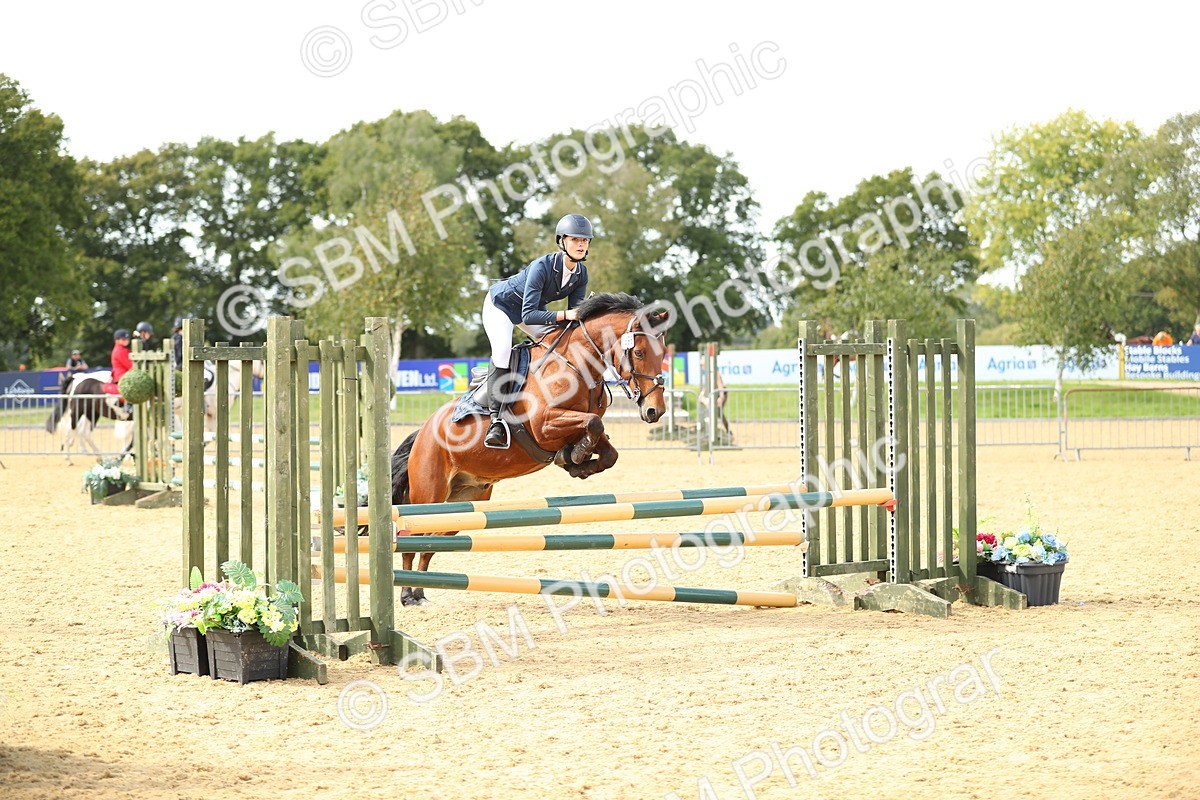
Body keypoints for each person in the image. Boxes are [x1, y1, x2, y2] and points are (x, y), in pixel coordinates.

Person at [481, 213, 593, 447]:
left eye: (585, 240)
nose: (581, 245)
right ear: (562, 242)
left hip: (530, 309)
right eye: (575, 240)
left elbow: (573, 318)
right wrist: (564, 315)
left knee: (559, 340)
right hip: (501, 305)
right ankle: (496, 421)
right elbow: (528, 315)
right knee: (502, 351)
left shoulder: (581, 274)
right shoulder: (541, 266)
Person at [102, 329, 133, 396]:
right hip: (123, 377)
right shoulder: (120, 350)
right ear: (117, 340)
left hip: (123, 376)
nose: (126, 341)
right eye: (124, 339)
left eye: (127, 339)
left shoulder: (122, 349)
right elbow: (130, 365)